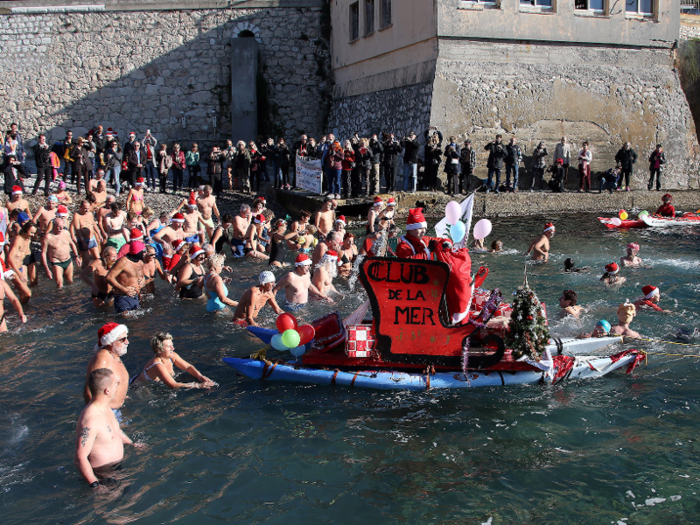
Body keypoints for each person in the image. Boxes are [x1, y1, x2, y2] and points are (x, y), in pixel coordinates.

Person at [75, 368, 144, 489]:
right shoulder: (91, 420)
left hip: (116, 469)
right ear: (107, 391)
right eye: (115, 384)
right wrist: (95, 485)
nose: (118, 387)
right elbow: (80, 457)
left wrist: (131, 443)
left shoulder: (105, 407)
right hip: (102, 475)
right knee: (118, 506)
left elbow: (115, 430)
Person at [132, 332, 217, 388]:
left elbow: (187, 367)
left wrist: (199, 376)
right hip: (138, 388)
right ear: (159, 350)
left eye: (172, 345)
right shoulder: (157, 365)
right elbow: (173, 385)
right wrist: (198, 385)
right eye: (169, 346)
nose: (173, 348)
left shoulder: (172, 356)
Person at [83, 323, 131, 418]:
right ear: (110, 341)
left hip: (115, 411)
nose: (127, 342)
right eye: (122, 339)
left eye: (127, 338)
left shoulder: (114, 355)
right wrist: (103, 417)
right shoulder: (102, 360)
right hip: (105, 413)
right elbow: (88, 392)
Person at [105, 243, 145, 314]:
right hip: (122, 297)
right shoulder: (123, 262)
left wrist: (143, 280)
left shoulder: (140, 262)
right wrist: (124, 289)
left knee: (137, 322)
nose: (145, 253)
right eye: (143, 251)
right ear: (137, 252)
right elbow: (109, 277)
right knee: (127, 320)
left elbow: (141, 276)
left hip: (135, 298)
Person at [41, 217, 80, 289]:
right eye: (59, 227)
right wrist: (47, 268)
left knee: (70, 281)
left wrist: (77, 256)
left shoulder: (66, 233)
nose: (61, 229)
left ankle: (71, 299)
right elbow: (43, 253)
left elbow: (72, 244)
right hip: (57, 262)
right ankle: (59, 299)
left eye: (62, 227)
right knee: (59, 285)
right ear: (54, 226)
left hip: (68, 260)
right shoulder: (48, 237)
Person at [71, 199, 101, 267]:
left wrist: (99, 234)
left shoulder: (90, 214)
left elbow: (94, 224)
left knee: (97, 258)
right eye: (85, 209)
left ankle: (96, 273)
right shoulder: (77, 215)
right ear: (80, 207)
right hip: (83, 239)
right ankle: (84, 273)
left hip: (92, 239)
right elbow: (77, 229)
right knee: (86, 259)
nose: (87, 210)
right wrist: (82, 241)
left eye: (88, 208)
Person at [424, 128, 443, 192]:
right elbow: (425, 136)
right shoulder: (428, 146)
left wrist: (437, 130)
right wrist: (428, 130)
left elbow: (441, 138)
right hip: (430, 162)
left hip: (436, 162)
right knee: (430, 175)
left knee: (435, 175)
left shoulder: (438, 145)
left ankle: (435, 187)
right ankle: (431, 187)